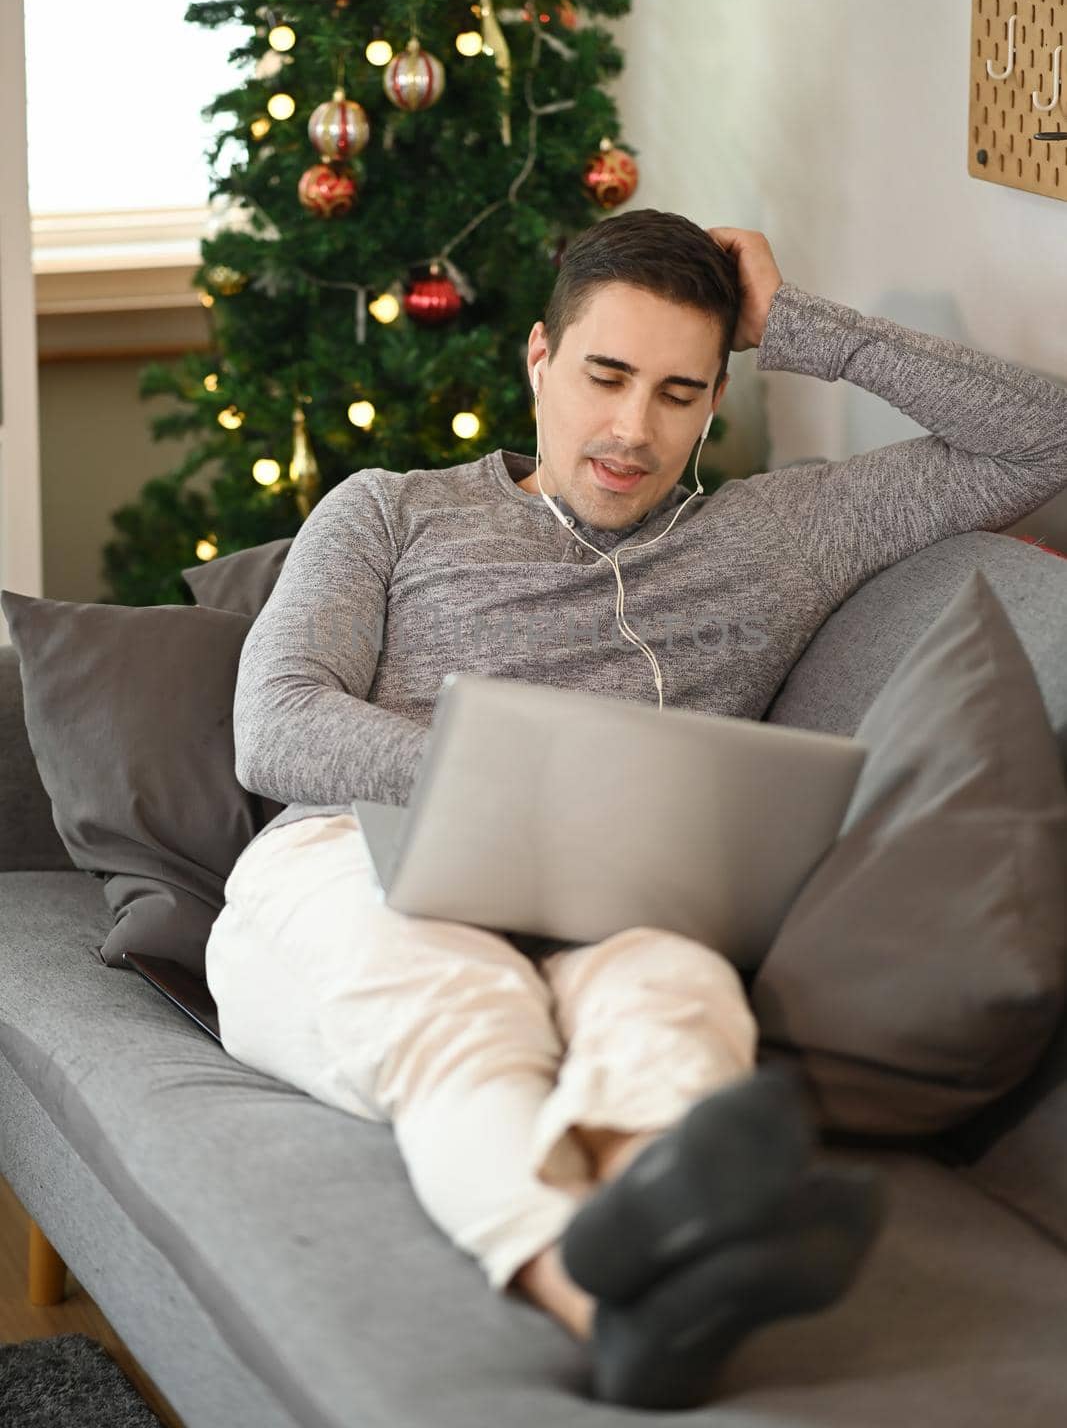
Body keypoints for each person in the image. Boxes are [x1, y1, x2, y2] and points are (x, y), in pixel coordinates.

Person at [204, 209, 1067, 1410]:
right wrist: (534, 780)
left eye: (677, 393)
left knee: (678, 992)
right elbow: (279, 724)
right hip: (358, 860)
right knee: (463, 1000)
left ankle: (677, 1221)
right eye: (604, 376)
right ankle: (594, 1290)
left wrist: (797, 323)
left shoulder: (775, 535)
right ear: (538, 360)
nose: (631, 431)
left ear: (716, 398)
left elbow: (1048, 435)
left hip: (616, 895)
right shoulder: (390, 511)